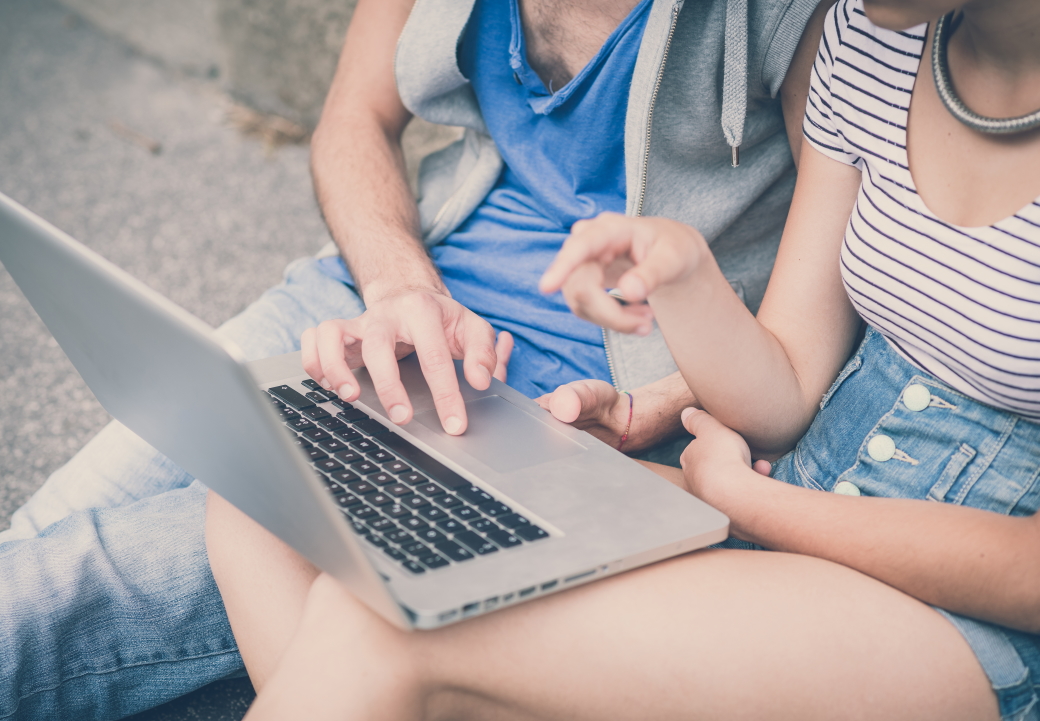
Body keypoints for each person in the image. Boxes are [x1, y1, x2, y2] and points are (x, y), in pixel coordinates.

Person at [0, 0, 829, 718]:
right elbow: (353, 120)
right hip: (369, 300)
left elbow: (831, 322)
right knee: (17, 543)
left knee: (34, 609)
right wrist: (400, 287)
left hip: (547, 404)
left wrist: (654, 415)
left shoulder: (797, 20)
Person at [209, 0, 1040, 718]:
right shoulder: (874, 42)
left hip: (958, 621)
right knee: (265, 482)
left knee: (385, 631)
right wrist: (680, 272)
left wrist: (751, 501)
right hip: (793, 497)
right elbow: (784, 392)